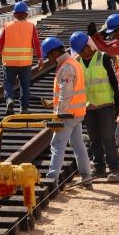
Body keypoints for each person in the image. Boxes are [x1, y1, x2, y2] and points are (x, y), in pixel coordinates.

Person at [39, 37, 92, 187]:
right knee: (78, 144)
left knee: (57, 144)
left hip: (67, 115)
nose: (48, 59)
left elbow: (66, 94)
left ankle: (52, 180)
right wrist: (53, 104)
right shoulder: (74, 62)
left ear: (55, 52)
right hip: (77, 113)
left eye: (48, 55)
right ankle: (87, 178)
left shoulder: (66, 68)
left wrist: (58, 116)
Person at [70, 31, 119, 182]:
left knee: (108, 137)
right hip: (88, 107)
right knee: (94, 138)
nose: (79, 52)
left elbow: (115, 81)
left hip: (105, 104)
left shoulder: (103, 57)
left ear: (88, 46)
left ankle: (114, 168)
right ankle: (99, 167)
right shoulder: (77, 62)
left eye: (81, 49)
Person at [0, 1, 42, 115]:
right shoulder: (31, 27)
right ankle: (24, 109)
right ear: (26, 14)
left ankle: (9, 100)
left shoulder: (8, 26)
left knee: (8, 83)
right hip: (25, 63)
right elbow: (36, 44)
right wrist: (40, 59)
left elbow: (0, 43)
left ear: (14, 14)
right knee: (25, 85)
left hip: (9, 63)